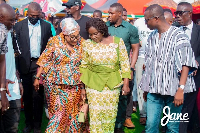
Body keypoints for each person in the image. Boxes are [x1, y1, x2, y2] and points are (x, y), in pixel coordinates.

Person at [139, 4, 197, 133]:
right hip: (154, 91)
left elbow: (186, 63)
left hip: (174, 91)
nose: (145, 22)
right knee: (150, 127)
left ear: (156, 18)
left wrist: (181, 89)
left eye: (146, 19)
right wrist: (146, 88)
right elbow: (149, 64)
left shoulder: (179, 35)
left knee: (172, 128)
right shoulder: (152, 36)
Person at [33, 18, 87, 133]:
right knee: (58, 114)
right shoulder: (54, 41)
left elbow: (85, 66)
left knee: (74, 114)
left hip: (75, 85)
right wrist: (37, 77)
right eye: (72, 37)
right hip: (55, 85)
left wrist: (83, 87)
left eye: (77, 36)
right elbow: (44, 59)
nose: (75, 39)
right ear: (64, 34)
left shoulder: (82, 42)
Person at [80, 18, 131, 133]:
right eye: (90, 34)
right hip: (93, 84)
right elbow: (84, 66)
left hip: (113, 84)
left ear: (102, 31)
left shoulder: (117, 42)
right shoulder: (87, 44)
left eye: (95, 34)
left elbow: (124, 63)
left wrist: (126, 84)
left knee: (110, 116)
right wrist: (83, 88)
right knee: (95, 116)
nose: (93, 37)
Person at [14, 2, 52, 133]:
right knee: (28, 96)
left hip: (39, 65)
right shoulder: (19, 26)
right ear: (27, 14)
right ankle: (28, 123)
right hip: (25, 64)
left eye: (37, 15)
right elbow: (16, 48)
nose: (34, 18)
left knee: (38, 96)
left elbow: (49, 47)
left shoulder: (46, 26)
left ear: (41, 13)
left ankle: (37, 125)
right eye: (31, 15)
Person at [106, 3, 140, 132]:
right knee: (108, 99)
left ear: (120, 13)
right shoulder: (105, 27)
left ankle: (119, 126)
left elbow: (135, 49)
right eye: (108, 13)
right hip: (107, 69)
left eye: (111, 13)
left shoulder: (131, 29)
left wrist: (131, 68)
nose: (108, 16)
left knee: (122, 98)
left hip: (123, 70)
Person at [175, 2, 200, 132]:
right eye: (176, 13)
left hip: (194, 78)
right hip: (174, 77)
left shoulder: (198, 31)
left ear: (189, 14)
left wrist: (196, 62)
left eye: (180, 13)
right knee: (176, 108)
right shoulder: (173, 30)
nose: (177, 16)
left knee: (187, 108)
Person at [133, 17, 152, 126]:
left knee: (152, 88)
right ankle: (143, 114)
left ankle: (153, 113)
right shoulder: (138, 22)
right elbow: (134, 38)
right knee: (141, 86)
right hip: (141, 57)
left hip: (154, 58)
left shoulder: (156, 22)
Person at [0, 3, 15, 116]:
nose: (13, 23)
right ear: (1, 17)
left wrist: (2, 90)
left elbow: (2, 60)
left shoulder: (3, 31)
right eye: (10, 20)